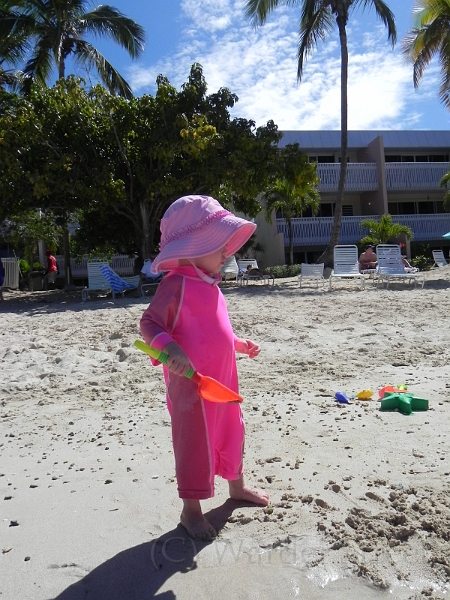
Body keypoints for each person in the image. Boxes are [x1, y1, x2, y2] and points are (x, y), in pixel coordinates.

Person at [140, 195, 269, 541]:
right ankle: (191, 511)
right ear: (192, 247)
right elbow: (150, 324)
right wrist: (170, 348)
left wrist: (238, 343)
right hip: (192, 387)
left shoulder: (211, 285)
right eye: (218, 244)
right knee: (194, 444)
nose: (226, 251)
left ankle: (236, 487)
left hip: (223, 381)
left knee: (231, 430)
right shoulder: (174, 285)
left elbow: (215, 329)